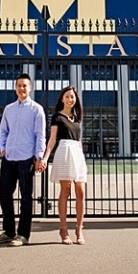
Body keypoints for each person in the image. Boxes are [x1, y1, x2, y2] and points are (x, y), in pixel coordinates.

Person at [0, 73, 46, 247]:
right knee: (4, 194)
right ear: (15, 88)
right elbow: (3, 131)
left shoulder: (37, 109)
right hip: (9, 157)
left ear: (30, 88)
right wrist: (3, 147)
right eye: (19, 85)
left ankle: (23, 235)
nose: (21, 88)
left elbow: (40, 135)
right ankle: (8, 231)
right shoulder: (9, 109)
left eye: (25, 85)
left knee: (26, 198)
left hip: (26, 158)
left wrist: (39, 156)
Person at [42, 85, 87, 245]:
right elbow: (52, 139)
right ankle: (63, 229)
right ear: (62, 98)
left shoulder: (77, 118)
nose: (70, 99)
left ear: (76, 100)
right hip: (64, 151)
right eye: (67, 96)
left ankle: (79, 228)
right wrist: (45, 158)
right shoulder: (57, 117)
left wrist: (81, 157)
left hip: (77, 153)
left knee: (80, 191)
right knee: (65, 190)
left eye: (72, 97)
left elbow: (79, 140)